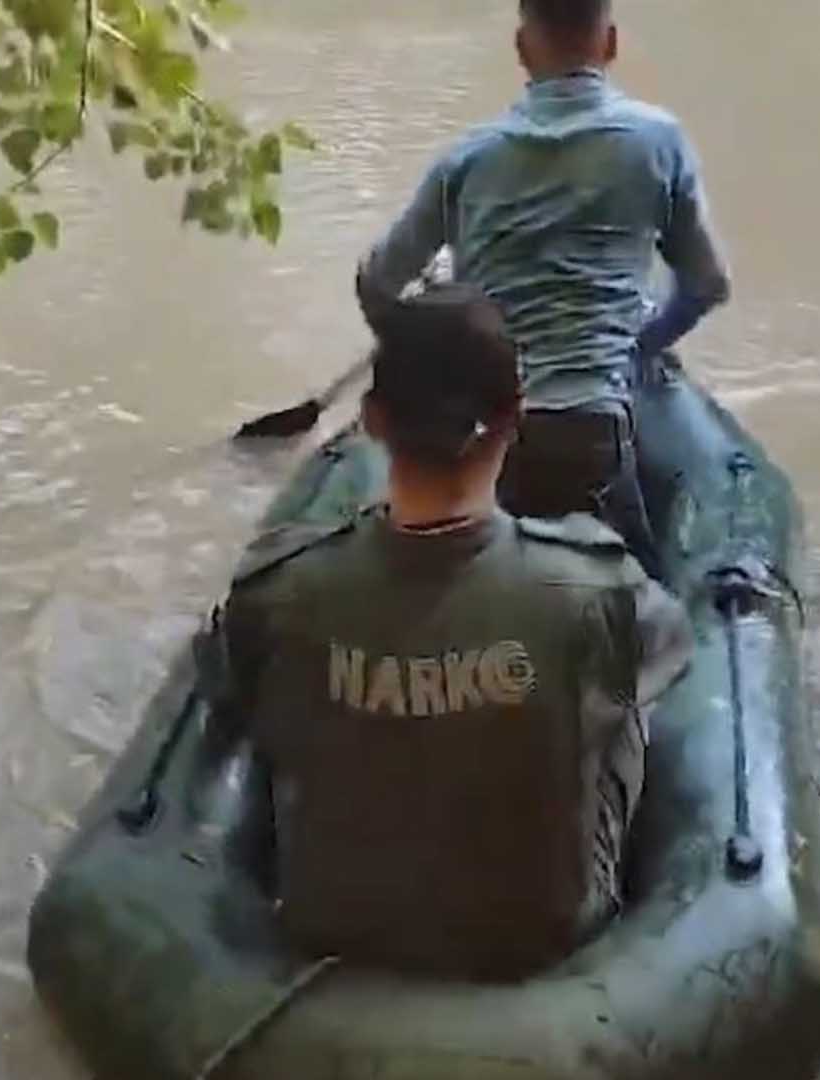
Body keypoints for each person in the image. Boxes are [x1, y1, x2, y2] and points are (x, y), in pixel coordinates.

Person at [205, 285, 694, 979]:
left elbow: (232, 697)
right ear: (516, 416)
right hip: (542, 936)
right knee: (623, 691)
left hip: (331, 927)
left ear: (373, 422)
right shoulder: (599, 586)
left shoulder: (277, 586)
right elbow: (674, 651)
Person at [356, 0, 732, 579]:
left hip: (484, 437)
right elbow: (707, 284)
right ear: (610, 43)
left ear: (522, 48)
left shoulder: (466, 158)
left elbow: (377, 282)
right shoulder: (660, 141)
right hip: (595, 428)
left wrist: (430, 355)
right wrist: (636, 344)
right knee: (644, 612)